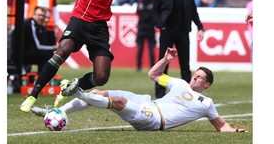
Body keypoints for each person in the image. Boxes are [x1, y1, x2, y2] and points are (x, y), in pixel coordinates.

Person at [20, 0, 141, 112]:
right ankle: (33, 94)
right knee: (62, 50)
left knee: (101, 77)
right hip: (78, 21)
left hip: (98, 27)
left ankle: (73, 85)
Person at [31, 47, 248, 133]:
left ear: (207, 85)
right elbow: (153, 75)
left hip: (155, 119)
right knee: (99, 94)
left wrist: (233, 130)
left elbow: (221, 126)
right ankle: (57, 112)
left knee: (120, 103)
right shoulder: (181, 84)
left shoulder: (206, 104)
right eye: (196, 74)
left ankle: (77, 92)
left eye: (200, 77)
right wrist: (164, 60)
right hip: (148, 103)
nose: (195, 77)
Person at [153, 0, 204, 98]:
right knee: (163, 65)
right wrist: (159, 24)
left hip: (183, 32)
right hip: (167, 31)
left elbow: (193, 11)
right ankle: (160, 97)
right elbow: (154, 10)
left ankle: (187, 96)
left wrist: (200, 27)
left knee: (185, 66)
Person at [10, 6, 57, 75]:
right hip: (17, 55)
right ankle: (41, 78)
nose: (41, 18)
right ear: (34, 15)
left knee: (46, 53)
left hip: (21, 53)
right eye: (39, 15)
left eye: (43, 16)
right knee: (47, 54)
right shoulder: (30, 24)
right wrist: (54, 47)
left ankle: (41, 76)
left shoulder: (37, 26)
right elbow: (38, 46)